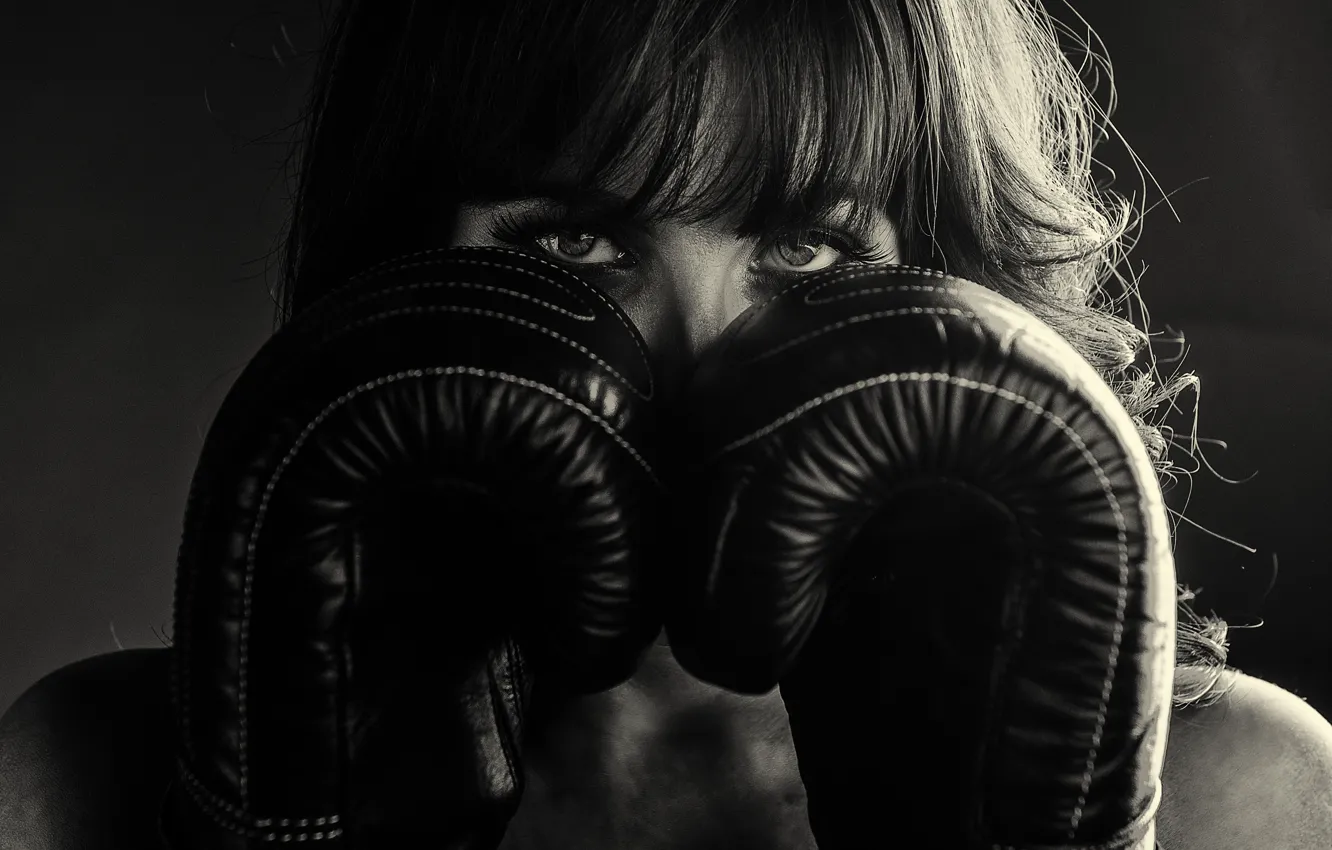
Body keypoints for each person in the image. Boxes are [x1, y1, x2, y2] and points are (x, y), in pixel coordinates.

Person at [267, 1, 1332, 848]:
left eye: (802, 249)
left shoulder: (1247, 796)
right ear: (403, 263)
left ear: (948, 280)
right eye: (575, 247)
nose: (695, 361)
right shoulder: (118, 773)